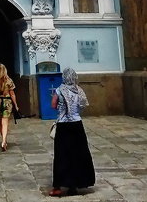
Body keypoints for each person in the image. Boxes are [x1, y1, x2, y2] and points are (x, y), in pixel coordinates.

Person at [49, 67, 95, 197]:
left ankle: (58, 186)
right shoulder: (79, 90)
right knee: (78, 155)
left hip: (64, 126)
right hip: (77, 125)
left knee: (62, 156)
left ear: (64, 77)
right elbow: (84, 105)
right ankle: (74, 186)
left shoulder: (59, 90)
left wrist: (61, 108)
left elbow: (53, 105)